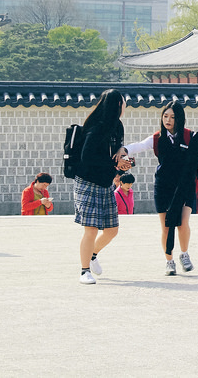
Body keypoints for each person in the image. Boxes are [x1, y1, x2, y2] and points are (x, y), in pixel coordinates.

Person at [124, 101, 198, 276]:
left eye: (173, 117)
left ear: (179, 119)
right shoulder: (157, 138)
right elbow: (139, 146)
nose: (168, 120)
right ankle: (169, 261)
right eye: (165, 116)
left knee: (183, 223)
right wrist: (123, 149)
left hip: (186, 185)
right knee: (166, 226)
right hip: (164, 185)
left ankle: (184, 254)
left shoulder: (191, 136)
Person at [74, 88, 133, 284]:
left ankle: (92, 255)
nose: (125, 107)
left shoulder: (118, 126)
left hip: (105, 182)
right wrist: (113, 163)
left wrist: (123, 157)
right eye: (123, 103)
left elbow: (117, 150)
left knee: (111, 230)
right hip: (87, 182)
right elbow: (87, 158)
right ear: (117, 105)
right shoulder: (96, 127)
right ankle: (84, 271)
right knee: (90, 229)